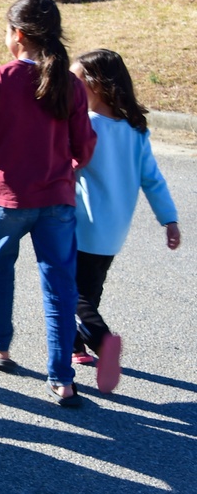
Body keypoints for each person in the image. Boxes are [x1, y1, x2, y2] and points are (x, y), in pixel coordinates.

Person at [0, 0, 97, 407]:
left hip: (11, 199)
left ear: (19, 35)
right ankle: (63, 379)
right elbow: (84, 145)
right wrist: (67, 168)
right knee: (60, 287)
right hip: (58, 198)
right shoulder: (72, 84)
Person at [69, 49, 181, 393]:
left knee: (70, 292)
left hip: (83, 224)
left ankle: (102, 342)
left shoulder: (85, 126)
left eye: (75, 82)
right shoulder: (135, 131)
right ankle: (77, 346)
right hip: (115, 230)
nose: (70, 88)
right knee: (91, 287)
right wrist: (169, 219)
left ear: (95, 86)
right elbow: (153, 179)